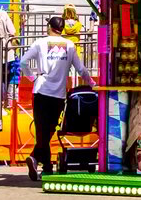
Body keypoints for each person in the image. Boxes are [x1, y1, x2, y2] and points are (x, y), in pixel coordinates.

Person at [21, 15, 93, 181]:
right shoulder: (69, 45)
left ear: (49, 27)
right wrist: (91, 82)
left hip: (41, 91)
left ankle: (36, 159)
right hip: (58, 94)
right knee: (49, 130)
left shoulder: (40, 43)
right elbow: (81, 69)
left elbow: (24, 61)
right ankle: (46, 168)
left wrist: (32, 77)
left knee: (42, 131)